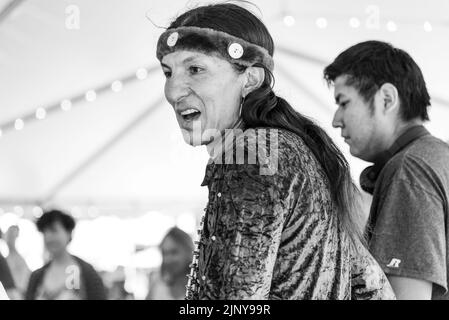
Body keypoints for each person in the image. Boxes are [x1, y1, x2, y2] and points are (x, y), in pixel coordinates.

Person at [156, 3, 394, 299]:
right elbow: (373, 287)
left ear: (251, 79)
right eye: (168, 72)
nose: (173, 90)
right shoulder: (298, 149)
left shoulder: (248, 154)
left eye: (195, 69)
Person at [324, 40, 449, 300]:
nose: (336, 120)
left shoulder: (409, 169)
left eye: (344, 102)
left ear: (386, 99)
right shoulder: (437, 157)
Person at [25, 210, 106, 300]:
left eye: (53, 230)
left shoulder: (87, 272)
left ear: (68, 233)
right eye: (45, 232)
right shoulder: (37, 276)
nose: (48, 237)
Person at [146, 227, 193, 300]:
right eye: (164, 253)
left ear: (188, 251)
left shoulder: (199, 286)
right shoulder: (157, 283)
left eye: (174, 252)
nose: (167, 259)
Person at [4, 225, 31, 298]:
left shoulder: (23, 257)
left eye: (13, 235)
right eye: (10, 235)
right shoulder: (6, 259)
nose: (11, 238)